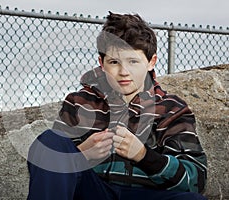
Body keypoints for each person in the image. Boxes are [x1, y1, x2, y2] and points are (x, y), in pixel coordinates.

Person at [27, 12, 207, 200]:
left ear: (151, 62)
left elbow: (195, 180)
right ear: (102, 63)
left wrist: (144, 156)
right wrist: (83, 154)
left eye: (133, 61)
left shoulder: (172, 109)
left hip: (148, 195)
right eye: (114, 62)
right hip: (93, 192)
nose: (123, 72)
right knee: (49, 140)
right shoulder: (79, 102)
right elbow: (51, 172)